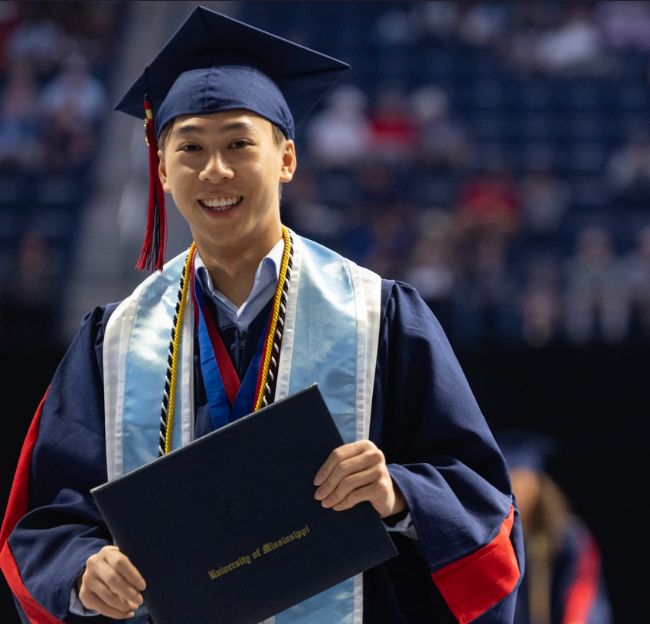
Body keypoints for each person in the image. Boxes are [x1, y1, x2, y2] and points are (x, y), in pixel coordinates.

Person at [0, 7, 523, 623]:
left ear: (287, 159)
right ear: (163, 170)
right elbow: (45, 520)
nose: (215, 169)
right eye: (190, 146)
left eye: (239, 143)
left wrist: (397, 493)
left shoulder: (378, 315)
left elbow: (483, 504)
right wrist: (83, 569)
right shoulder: (113, 341)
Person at [496, 430, 612, 624]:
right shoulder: (487, 537)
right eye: (509, 478)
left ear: (538, 484)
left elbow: (582, 596)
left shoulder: (568, 537)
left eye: (522, 478)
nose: (515, 487)